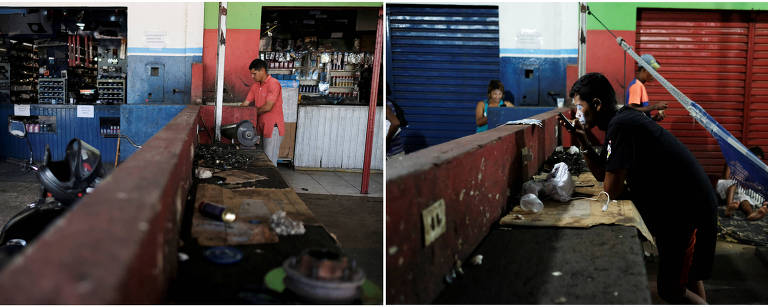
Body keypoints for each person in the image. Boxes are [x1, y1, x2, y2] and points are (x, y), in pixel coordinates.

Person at [562, 72, 717, 304]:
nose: (577, 114)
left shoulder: (622, 125)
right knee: (687, 277)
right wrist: (583, 139)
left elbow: (611, 189)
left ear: (597, 104)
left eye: (579, 107)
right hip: (684, 204)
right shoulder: (620, 121)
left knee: (671, 290)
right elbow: (603, 172)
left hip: (686, 210)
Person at [240, 58, 285, 166]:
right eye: (251, 74)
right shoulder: (255, 86)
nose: (252, 76)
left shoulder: (273, 84)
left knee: (270, 161)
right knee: (261, 158)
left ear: (263, 71)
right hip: (260, 127)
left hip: (272, 127)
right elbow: (245, 103)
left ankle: (272, 177)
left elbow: (268, 107)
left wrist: (251, 114)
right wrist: (236, 112)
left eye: (254, 74)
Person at [718, 146, 768, 220]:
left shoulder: (751, 169)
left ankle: (750, 214)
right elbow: (726, 178)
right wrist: (742, 183)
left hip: (738, 189)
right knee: (734, 183)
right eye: (756, 159)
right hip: (724, 185)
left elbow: (749, 183)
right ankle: (728, 207)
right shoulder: (733, 161)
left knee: (744, 198)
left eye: (759, 161)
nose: (756, 163)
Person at [626, 54, 668, 121]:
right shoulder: (636, 86)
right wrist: (655, 106)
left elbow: (639, 114)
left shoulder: (640, 85)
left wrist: (653, 119)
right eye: (652, 71)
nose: (654, 75)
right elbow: (630, 110)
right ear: (644, 70)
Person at [386, 85, 406, 159]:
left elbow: (395, 123)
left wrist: (387, 141)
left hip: (393, 153)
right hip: (396, 151)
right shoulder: (389, 102)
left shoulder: (386, 105)